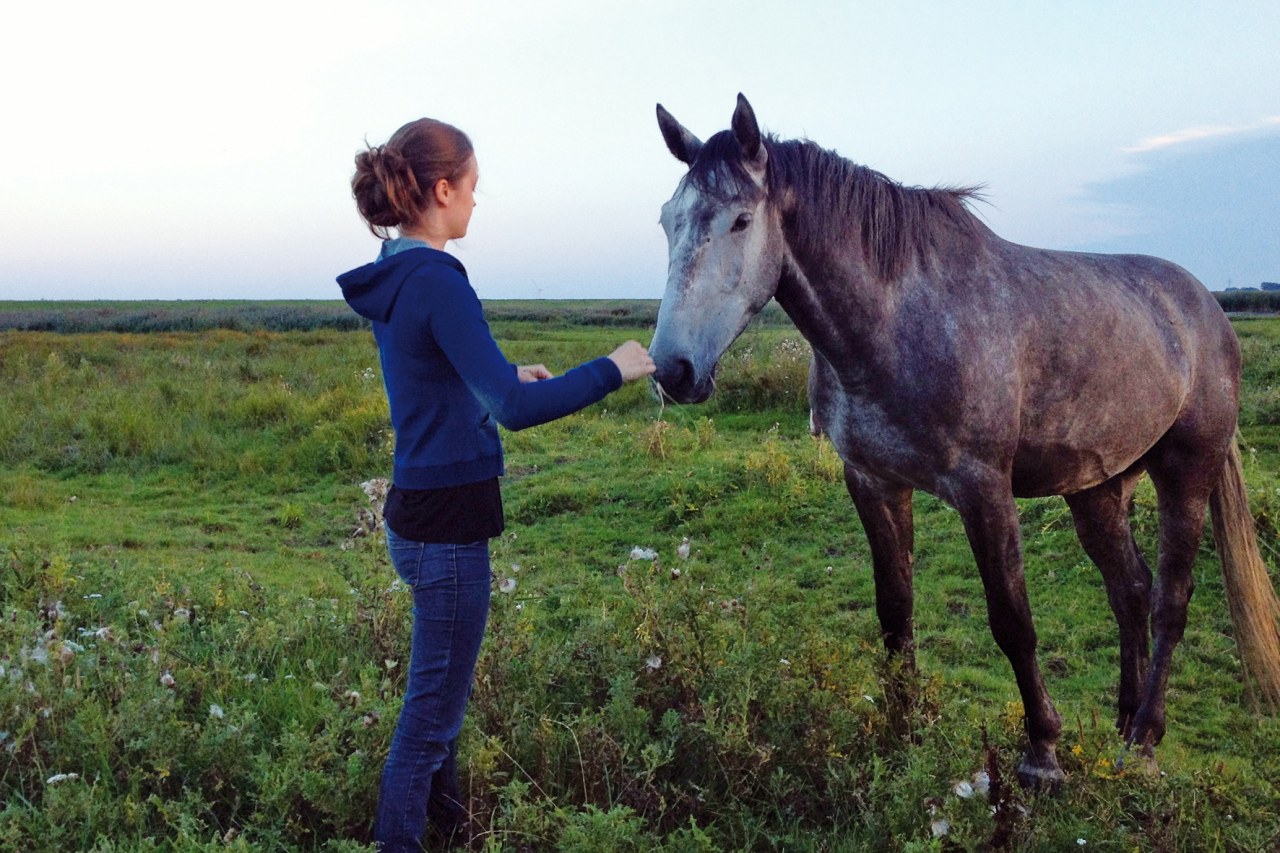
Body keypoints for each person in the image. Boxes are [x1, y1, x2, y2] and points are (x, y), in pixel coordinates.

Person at [337, 117, 654, 851]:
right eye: (473, 187)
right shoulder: (438, 280)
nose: (478, 202)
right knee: (430, 719)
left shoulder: (397, 274)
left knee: (441, 703)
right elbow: (512, 413)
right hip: (448, 529)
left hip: (414, 513)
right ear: (442, 190)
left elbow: (435, 372)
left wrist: (507, 371)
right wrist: (614, 367)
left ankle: (450, 828)